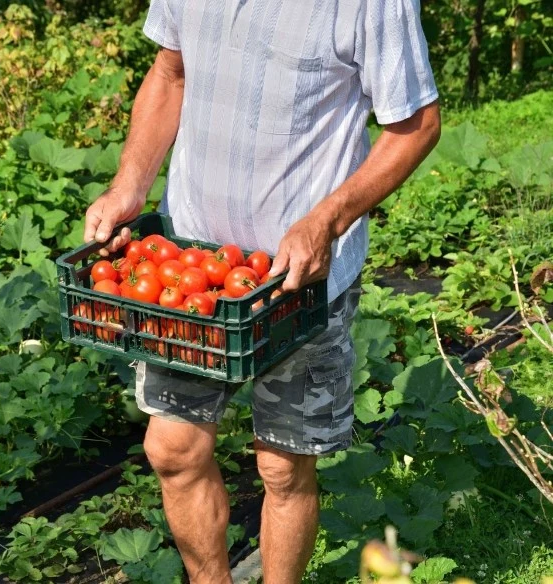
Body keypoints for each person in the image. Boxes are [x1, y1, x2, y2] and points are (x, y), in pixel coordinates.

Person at [83, 1, 441, 582]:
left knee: (281, 465)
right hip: (192, 268)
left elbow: (416, 123)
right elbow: (171, 72)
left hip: (300, 283)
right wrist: (130, 183)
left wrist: (328, 219)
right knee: (172, 450)